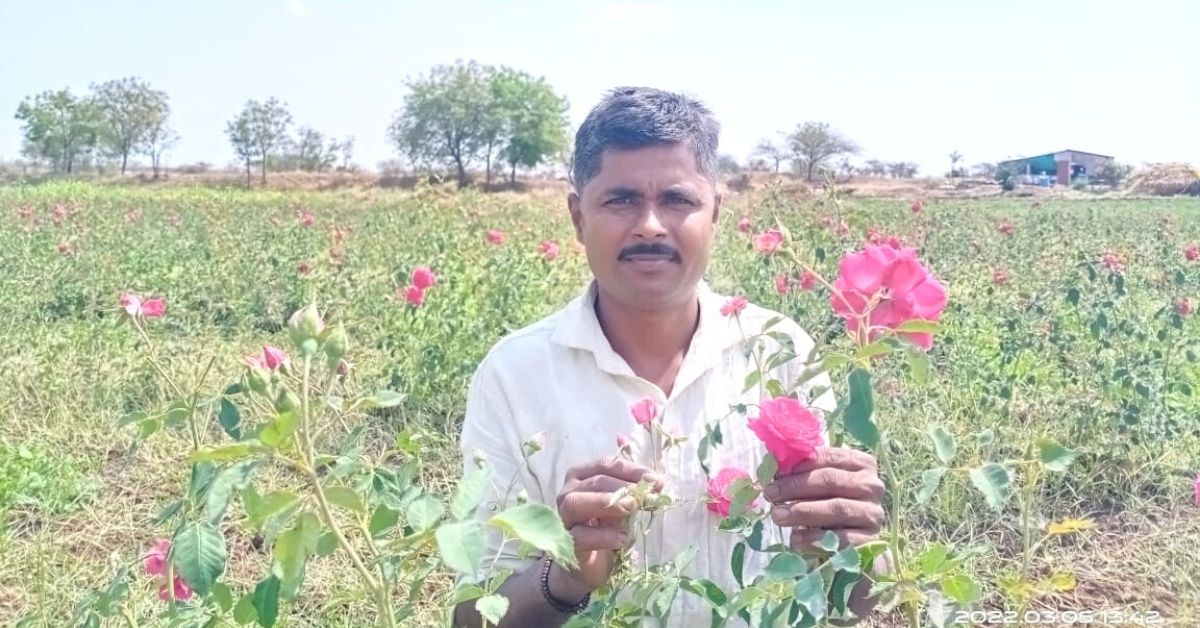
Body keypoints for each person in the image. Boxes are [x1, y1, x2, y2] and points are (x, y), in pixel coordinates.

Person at [453, 87, 885, 627]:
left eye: (678, 200)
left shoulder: (780, 350)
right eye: (620, 199)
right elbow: (473, 616)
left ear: (715, 213)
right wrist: (567, 574)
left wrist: (859, 549)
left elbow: (855, 600)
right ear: (577, 217)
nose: (651, 225)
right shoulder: (514, 375)